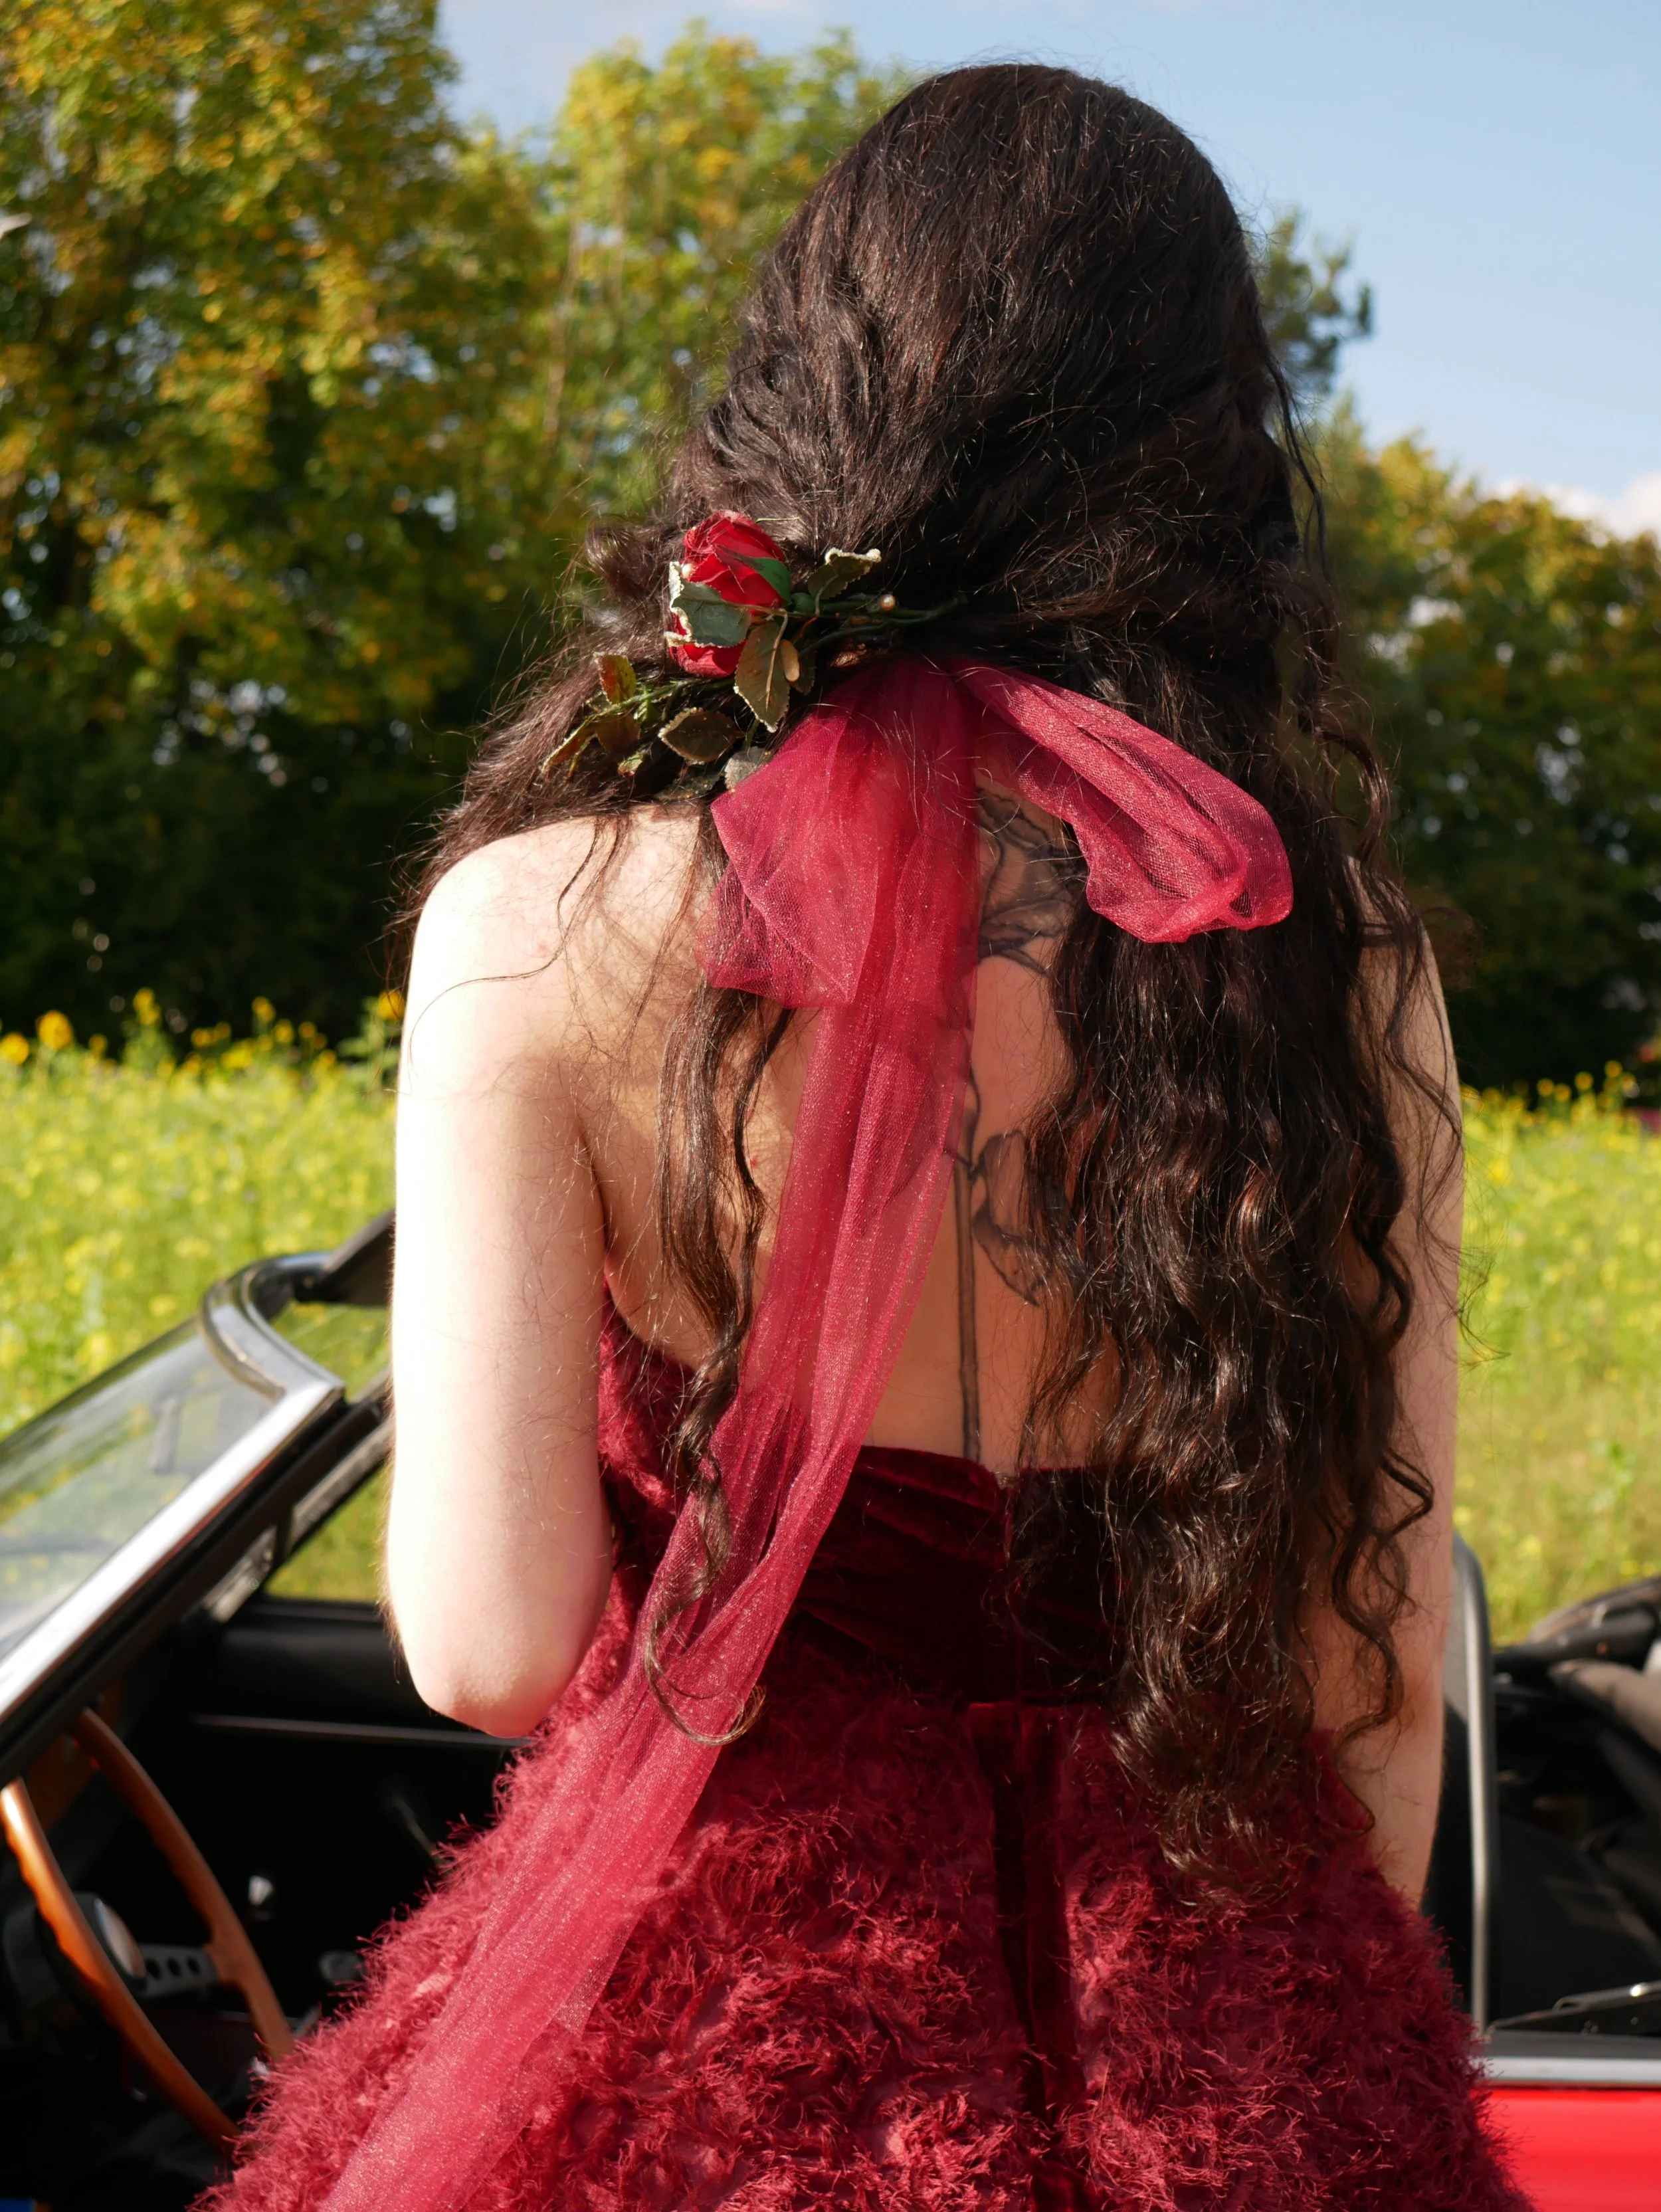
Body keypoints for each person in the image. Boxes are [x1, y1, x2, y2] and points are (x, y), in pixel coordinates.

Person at [206, 64, 1529, 2212]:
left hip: (722, 1984)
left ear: (798, 384)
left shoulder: (538, 921)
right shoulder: (1323, 948)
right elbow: (1364, 1659)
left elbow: (491, 1645)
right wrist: (1302, 2012)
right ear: (1202, 451)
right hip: (1203, 1930)